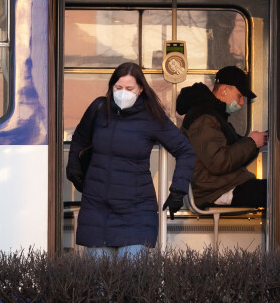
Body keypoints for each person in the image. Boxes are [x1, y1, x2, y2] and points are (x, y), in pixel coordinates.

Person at [66, 62, 195, 257]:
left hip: (136, 211)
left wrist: (178, 190)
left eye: (129, 88)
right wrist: (74, 171)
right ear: (111, 87)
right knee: (98, 284)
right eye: (118, 88)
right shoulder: (99, 109)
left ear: (141, 89)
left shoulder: (152, 117)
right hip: (97, 209)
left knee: (132, 283)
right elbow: (79, 140)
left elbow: (185, 151)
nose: (122, 92)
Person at [176, 66, 267, 209]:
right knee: (277, 192)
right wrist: (251, 143)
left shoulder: (214, 116)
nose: (242, 102)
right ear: (224, 90)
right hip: (215, 191)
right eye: (239, 96)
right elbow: (219, 162)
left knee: (277, 189)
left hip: (224, 184)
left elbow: (232, 154)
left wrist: (254, 143)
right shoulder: (204, 119)